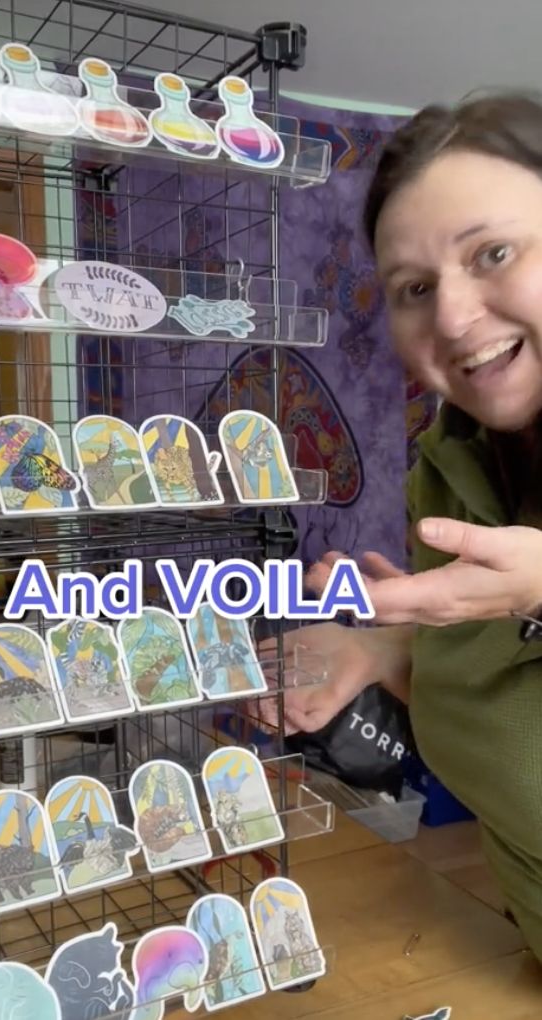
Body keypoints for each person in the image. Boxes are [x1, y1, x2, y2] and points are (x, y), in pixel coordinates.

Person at [267, 92, 542, 962]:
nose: (455, 318)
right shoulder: (450, 464)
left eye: (493, 253)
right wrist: (388, 656)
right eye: (415, 289)